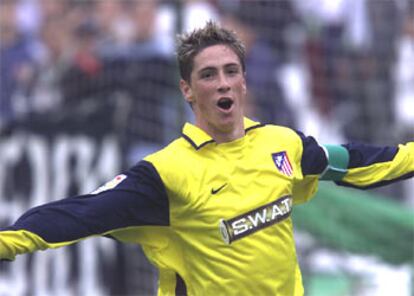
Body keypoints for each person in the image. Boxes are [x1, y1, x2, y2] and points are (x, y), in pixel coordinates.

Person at [0, 21, 413, 296]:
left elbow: (355, 161)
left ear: (245, 80)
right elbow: (80, 213)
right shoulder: (167, 173)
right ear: (187, 90)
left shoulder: (282, 144)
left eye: (231, 71)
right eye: (208, 74)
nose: (223, 83)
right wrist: (9, 242)